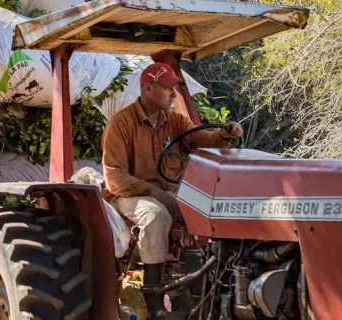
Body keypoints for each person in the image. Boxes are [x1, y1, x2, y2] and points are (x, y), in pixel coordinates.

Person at [101, 62, 243, 319]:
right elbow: (114, 178)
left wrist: (224, 134)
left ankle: (214, 284)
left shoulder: (176, 122)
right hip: (129, 195)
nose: (173, 95)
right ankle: (153, 297)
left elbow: (203, 141)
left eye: (175, 89)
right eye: (167, 89)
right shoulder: (120, 125)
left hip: (170, 191)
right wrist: (155, 194)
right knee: (156, 216)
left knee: (213, 206)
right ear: (148, 88)